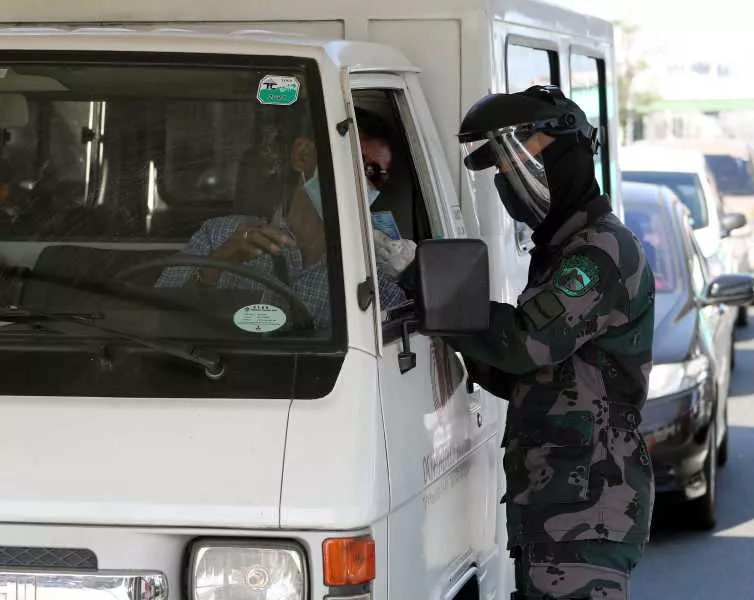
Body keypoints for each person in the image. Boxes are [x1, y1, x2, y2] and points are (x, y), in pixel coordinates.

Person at [444, 85, 656, 600]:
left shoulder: (597, 253)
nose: (508, 182)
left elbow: (525, 345)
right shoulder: (563, 249)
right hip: (558, 504)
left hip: (586, 511)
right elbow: (525, 375)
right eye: (499, 172)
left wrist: (432, 290)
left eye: (518, 161)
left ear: (567, 154)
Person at [156, 108, 414, 328]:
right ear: (302, 155)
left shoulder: (373, 267)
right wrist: (219, 263)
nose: (361, 181)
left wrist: (410, 275)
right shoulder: (220, 234)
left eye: (375, 174)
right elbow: (158, 318)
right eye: (351, 162)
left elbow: (395, 348)